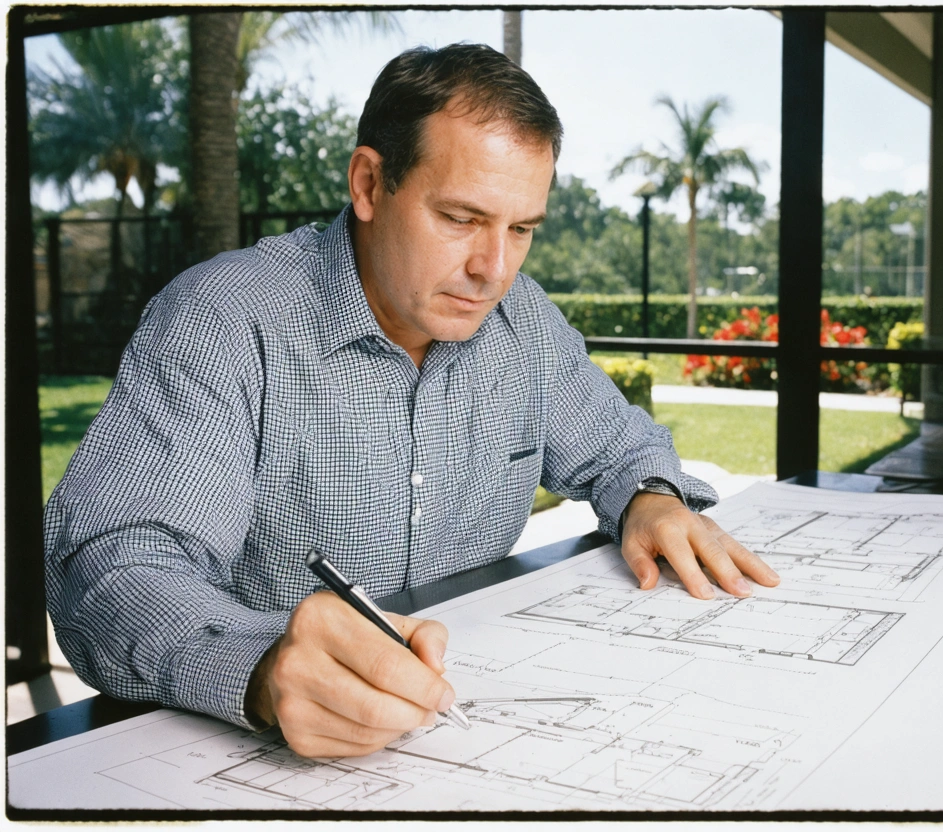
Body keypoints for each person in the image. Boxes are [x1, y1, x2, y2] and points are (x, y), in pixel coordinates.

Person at [44, 43, 779, 759]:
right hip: (222, 762)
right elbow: (111, 565)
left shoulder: (523, 320)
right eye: (460, 218)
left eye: (521, 229)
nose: (494, 270)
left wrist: (649, 498)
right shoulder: (226, 320)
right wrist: (262, 668)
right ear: (368, 184)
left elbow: (622, 448)